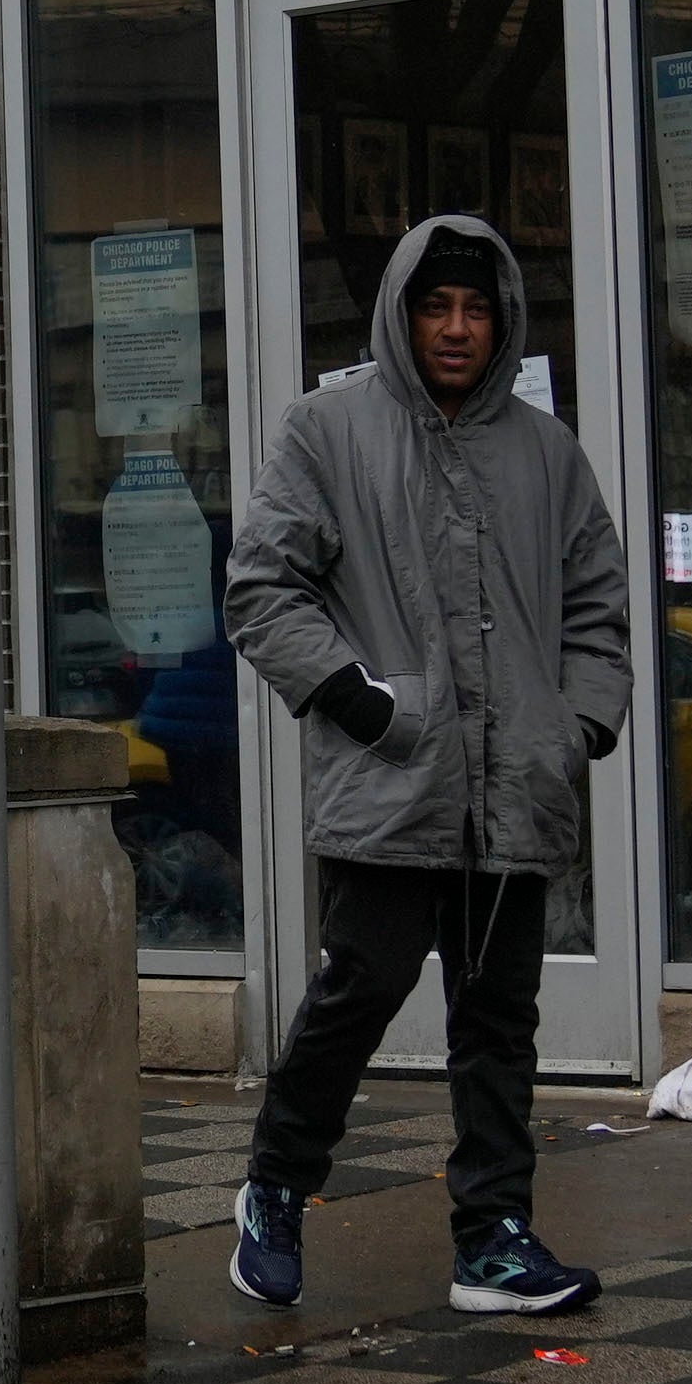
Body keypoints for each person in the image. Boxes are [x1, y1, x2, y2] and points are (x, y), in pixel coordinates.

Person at [222, 214, 630, 1317]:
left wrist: (579, 725)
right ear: (401, 315)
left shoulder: (546, 451)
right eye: (436, 307)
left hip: (516, 786)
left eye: (476, 308)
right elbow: (261, 587)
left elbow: (597, 603)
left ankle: (493, 1237)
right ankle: (276, 1186)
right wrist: (355, 697)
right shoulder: (327, 431)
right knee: (362, 988)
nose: (456, 328)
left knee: (499, 1019)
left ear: (504, 320)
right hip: (393, 776)